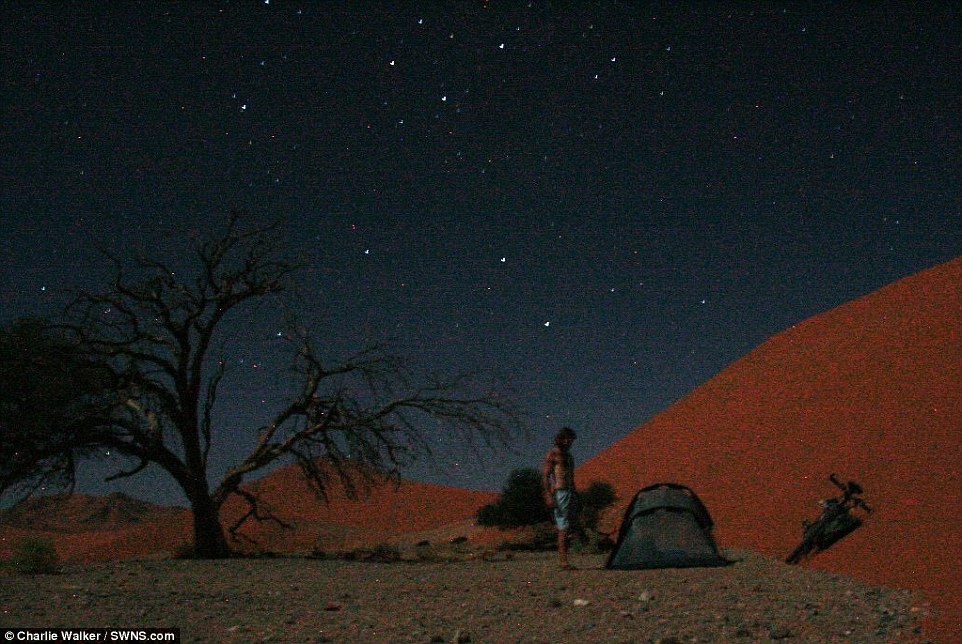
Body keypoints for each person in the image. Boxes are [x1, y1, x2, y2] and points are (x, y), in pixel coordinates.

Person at [542, 426, 577, 569]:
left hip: (569, 492)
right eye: (567, 439)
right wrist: (548, 495)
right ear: (561, 439)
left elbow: (571, 477)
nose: (569, 442)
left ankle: (565, 560)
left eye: (571, 440)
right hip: (559, 492)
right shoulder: (553, 454)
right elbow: (546, 476)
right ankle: (563, 562)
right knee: (563, 526)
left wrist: (575, 494)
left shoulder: (569, 456)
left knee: (568, 526)